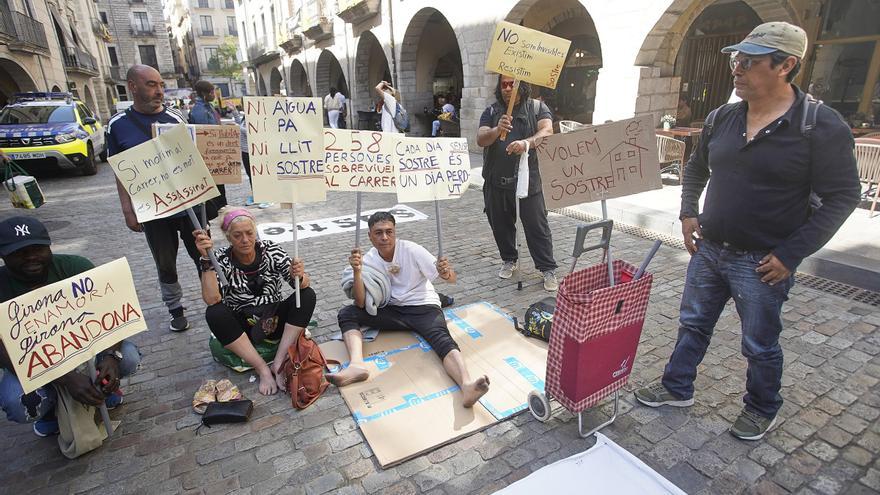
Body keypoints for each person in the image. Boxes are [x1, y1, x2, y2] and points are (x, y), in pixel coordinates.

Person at [634, 22, 861, 441]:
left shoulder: (818, 125)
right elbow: (697, 167)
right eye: (736, 61)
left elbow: (843, 196)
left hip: (762, 261)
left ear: (785, 65)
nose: (736, 70)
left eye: (749, 62)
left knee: (759, 342)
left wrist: (791, 254)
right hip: (710, 249)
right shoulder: (723, 117)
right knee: (692, 324)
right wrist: (688, 213)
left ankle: (761, 407)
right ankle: (676, 386)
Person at [326, 212, 490, 408]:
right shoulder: (368, 259)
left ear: (395, 232)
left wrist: (446, 272)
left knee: (443, 340)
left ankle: (467, 385)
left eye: (389, 232)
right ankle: (356, 365)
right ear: (370, 236)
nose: (384, 237)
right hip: (393, 311)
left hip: (423, 307)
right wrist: (357, 272)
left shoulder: (412, 250)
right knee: (348, 313)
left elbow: (452, 279)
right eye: (378, 233)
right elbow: (361, 303)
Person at [0, 216, 141, 439]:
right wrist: (65, 379)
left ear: (49, 247)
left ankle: (102, 389)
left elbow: (113, 313)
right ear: (3, 255)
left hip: (84, 350)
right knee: (19, 402)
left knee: (128, 357)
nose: (31, 257)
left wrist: (112, 356)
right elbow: (4, 352)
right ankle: (50, 411)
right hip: (31, 363)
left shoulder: (76, 267)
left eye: (37, 249)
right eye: (20, 252)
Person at [107, 64, 203, 332]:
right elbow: (119, 170)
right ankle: (175, 308)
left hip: (189, 203)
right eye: (151, 84)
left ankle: (216, 301)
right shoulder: (117, 125)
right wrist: (128, 210)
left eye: (161, 85)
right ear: (132, 87)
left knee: (203, 255)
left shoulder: (176, 118)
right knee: (165, 261)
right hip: (153, 209)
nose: (159, 91)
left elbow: (194, 158)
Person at [194, 209, 317, 395]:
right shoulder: (218, 258)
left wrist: (299, 275)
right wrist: (205, 259)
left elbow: (300, 285)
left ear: (255, 232)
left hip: (273, 318)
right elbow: (212, 299)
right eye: (237, 235)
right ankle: (262, 369)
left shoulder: (271, 250)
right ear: (228, 237)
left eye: (249, 233)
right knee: (215, 312)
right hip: (243, 326)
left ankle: (279, 361)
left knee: (307, 295)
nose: (245, 240)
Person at [477, 75, 558, 291]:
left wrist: (526, 143)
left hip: (528, 182)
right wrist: (497, 130)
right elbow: (481, 138)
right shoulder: (492, 111)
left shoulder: (537, 108)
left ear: (522, 85)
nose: (507, 88)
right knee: (500, 226)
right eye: (503, 84)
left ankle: (547, 268)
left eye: (512, 84)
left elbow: (547, 131)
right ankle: (508, 259)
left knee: (537, 227)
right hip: (496, 183)